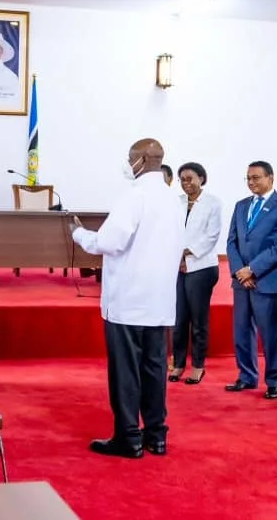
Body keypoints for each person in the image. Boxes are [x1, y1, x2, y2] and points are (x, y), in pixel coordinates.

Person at [70, 138, 184, 458]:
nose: (127, 163)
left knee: (125, 371)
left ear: (142, 160)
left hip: (128, 300)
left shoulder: (135, 196)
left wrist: (78, 234)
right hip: (159, 300)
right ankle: (156, 435)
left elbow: (109, 242)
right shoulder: (173, 200)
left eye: (130, 157)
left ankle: (128, 437)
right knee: (155, 369)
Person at [225, 161, 277, 399]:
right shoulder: (241, 205)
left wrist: (252, 270)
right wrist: (240, 271)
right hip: (241, 281)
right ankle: (246, 376)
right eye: (248, 178)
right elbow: (232, 241)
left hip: (267, 280)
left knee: (271, 334)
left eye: (256, 177)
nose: (251, 182)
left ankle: (275, 380)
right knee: (242, 331)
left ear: (270, 178)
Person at [169, 162, 222, 385]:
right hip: (177, 267)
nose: (186, 183)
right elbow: (170, 231)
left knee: (198, 321)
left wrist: (186, 253)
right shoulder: (176, 201)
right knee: (179, 319)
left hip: (202, 267)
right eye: (182, 179)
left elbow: (212, 236)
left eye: (190, 178)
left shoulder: (212, 203)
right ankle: (179, 363)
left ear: (201, 178)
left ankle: (198, 366)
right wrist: (177, 256)